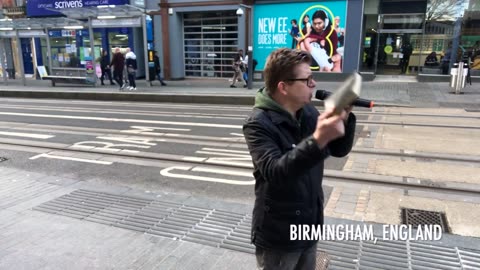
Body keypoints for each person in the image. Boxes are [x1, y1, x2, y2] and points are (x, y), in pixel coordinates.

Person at [242, 48, 356, 270]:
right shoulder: (258, 124)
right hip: (279, 233)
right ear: (283, 87)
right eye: (307, 79)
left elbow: (339, 150)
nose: (313, 84)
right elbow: (276, 172)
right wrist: (317, 139)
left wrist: (346, 117)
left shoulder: (308, 112)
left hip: (309, 223)